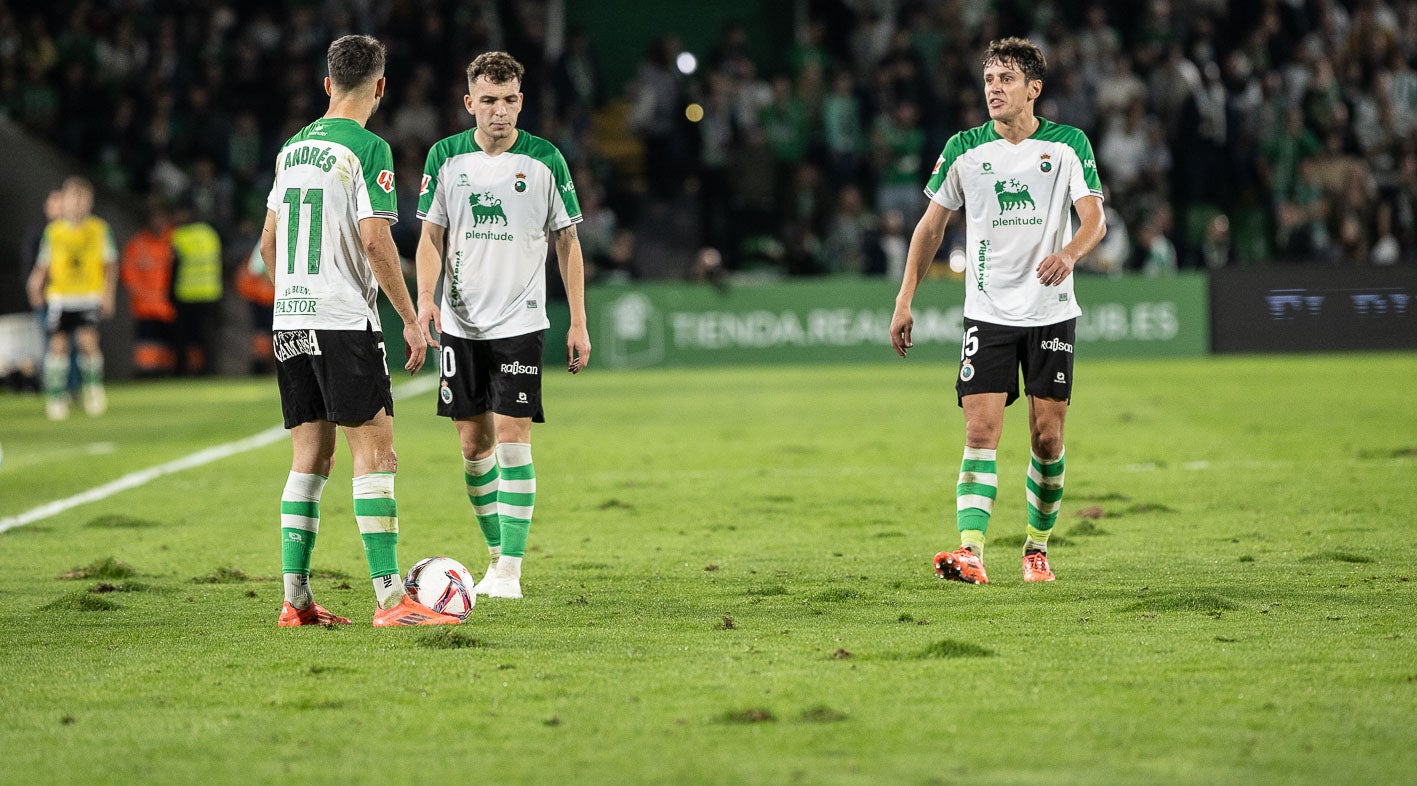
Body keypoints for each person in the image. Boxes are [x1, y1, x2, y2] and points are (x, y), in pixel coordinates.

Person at [889, 37, 1106, 585]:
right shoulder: (965, 148)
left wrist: (1070, 253)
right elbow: (930, 227)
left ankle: (1036, 547)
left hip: (1050, 310)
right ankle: (971, 552)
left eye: (1006, 79)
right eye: (989, 79)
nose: (994, 88)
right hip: (986, 312)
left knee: (1047, 438)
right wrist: (904, 297)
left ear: (1034, 89)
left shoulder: (1067, 144)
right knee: (981, 430)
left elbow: (1094, 219)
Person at [260, 34, 459, 628]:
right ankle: (391, 599)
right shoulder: (368, 148)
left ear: (327, 84)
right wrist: (409, 320)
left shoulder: (291, 148)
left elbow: (268, 244)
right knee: (375, 454)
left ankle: (295, 601)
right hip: (344, 320)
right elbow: (376, 243)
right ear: (379, 86)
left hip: (290, 319)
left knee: (308, 458)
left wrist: (297, 296)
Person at [415, 51, 591, 600]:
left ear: (521, 100)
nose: (499, 111)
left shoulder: (544, 160)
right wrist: (425, 300)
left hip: (519, 322)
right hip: (462, 324)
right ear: (469, 103)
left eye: (510, 99)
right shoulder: (445, 157)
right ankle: (495, 555)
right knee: (473, 447)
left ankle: (510, 570)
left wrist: (578, 321)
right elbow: (430, 238)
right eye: (488, 100)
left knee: (514, 440)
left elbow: (568, 243)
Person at [25, 177, 117, 421]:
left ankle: (93, 390)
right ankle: (56, 397)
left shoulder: (99, 229)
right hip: (61, 297)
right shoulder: (54, 232)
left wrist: (108, 294)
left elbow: (110, 264)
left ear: (90, 202)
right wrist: (35, 283)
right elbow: (43, 264)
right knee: (58, 346)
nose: (77, 204)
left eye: (82, 199)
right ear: (64, 202)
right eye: (73, 199)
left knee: (88, 343)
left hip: (87, 295)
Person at [120, 199, 177, 376]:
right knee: (147, 350)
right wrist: (143, 295)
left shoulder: (174, 241)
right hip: (145, 307)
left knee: (168, 350)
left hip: (170, 306)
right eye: (155, 218)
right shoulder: (137, 244)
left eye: (162, 218)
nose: (158, 222)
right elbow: (128, 275)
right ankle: (145, 377)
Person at [170, 201, 223, 375]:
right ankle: (210, 371)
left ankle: (182, 371)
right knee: (208, 338)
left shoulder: (180, 235)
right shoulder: (210, 234)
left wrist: (170, 292)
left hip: (186, 293)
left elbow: (174, 266)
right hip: (211, 292)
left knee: (183, 337)